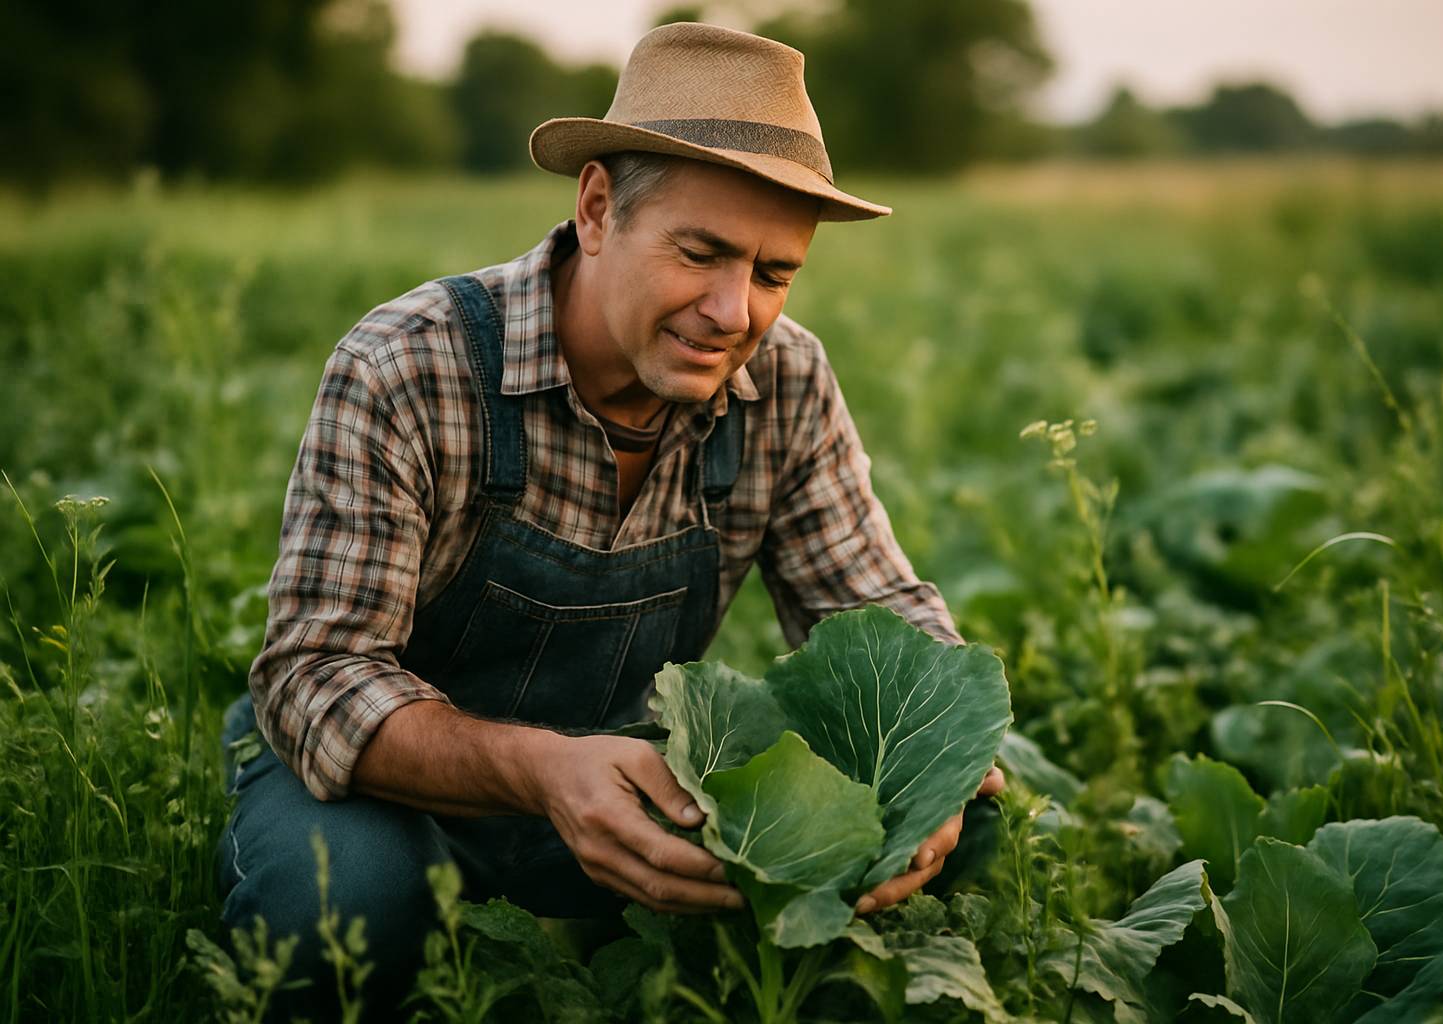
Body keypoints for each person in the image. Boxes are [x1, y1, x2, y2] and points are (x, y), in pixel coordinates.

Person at [217, 20, 1003, 1017]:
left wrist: (941, 764)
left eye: (773, 272)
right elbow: (314, 675)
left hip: (622, 778)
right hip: (389, 785)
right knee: (343, 904)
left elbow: (884, 612)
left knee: (959, 822)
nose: (733, 311)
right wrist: (545, 769)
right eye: (702, 252)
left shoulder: (785, 376)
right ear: (596, 210)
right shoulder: (408, 365)